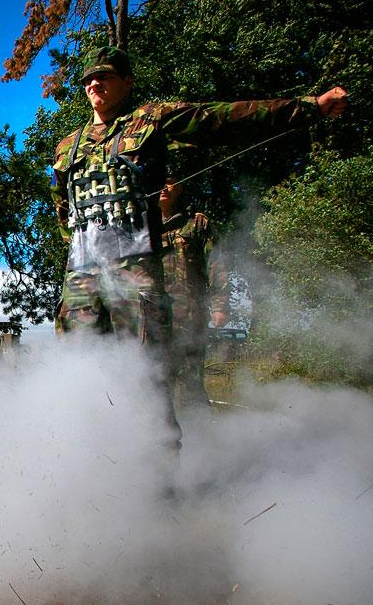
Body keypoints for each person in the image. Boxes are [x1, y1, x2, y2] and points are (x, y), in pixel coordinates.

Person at [50, 45, 347, 434]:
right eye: (88, 78)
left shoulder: (150, 121)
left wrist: (310, 106)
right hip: (82, 279)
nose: (94, 83)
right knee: (79, 376)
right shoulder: (66, 146)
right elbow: (62, 209)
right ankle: (89, 471)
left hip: (134, 272)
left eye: (104, 75)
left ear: (126, 82)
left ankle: (160, 484)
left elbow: (224, 120)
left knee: (145, 377)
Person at [159, 180, 230, 415]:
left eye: (169, 183)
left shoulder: (196, 223)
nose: (163, 188)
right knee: (157, 379)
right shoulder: (143, 228)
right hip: (154, 316)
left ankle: (199, 441)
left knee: (190, 380)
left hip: (190, 315)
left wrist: (220, 305)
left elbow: (216, 265)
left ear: (179, 188)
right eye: (158, 183)